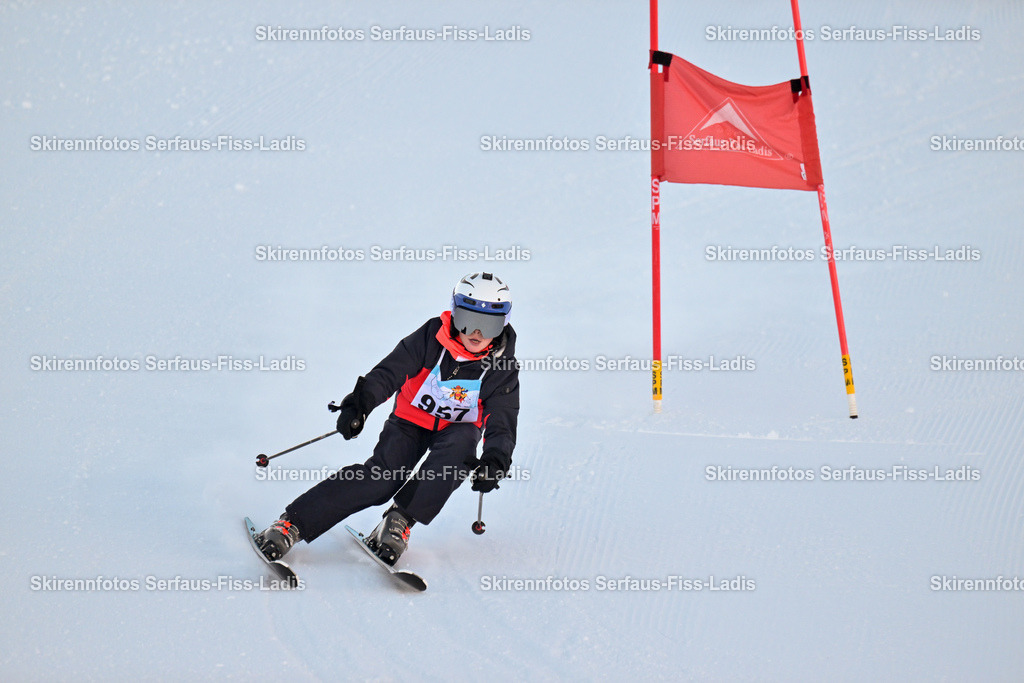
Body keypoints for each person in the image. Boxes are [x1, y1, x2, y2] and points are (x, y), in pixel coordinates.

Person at [256, 272, 519, 566]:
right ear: (455, 313)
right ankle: (291, 524)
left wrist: (495, 460)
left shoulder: (502, 366)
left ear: (503, 324)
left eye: (490, 325)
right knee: (381, 479)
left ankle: (398, 521)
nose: (478, 333)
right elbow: (390, 371)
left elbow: (503, 420)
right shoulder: (431, 338)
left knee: (460, 451)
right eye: (469, 320)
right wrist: (361, 404)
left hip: (457, 430)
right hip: (409, 422)